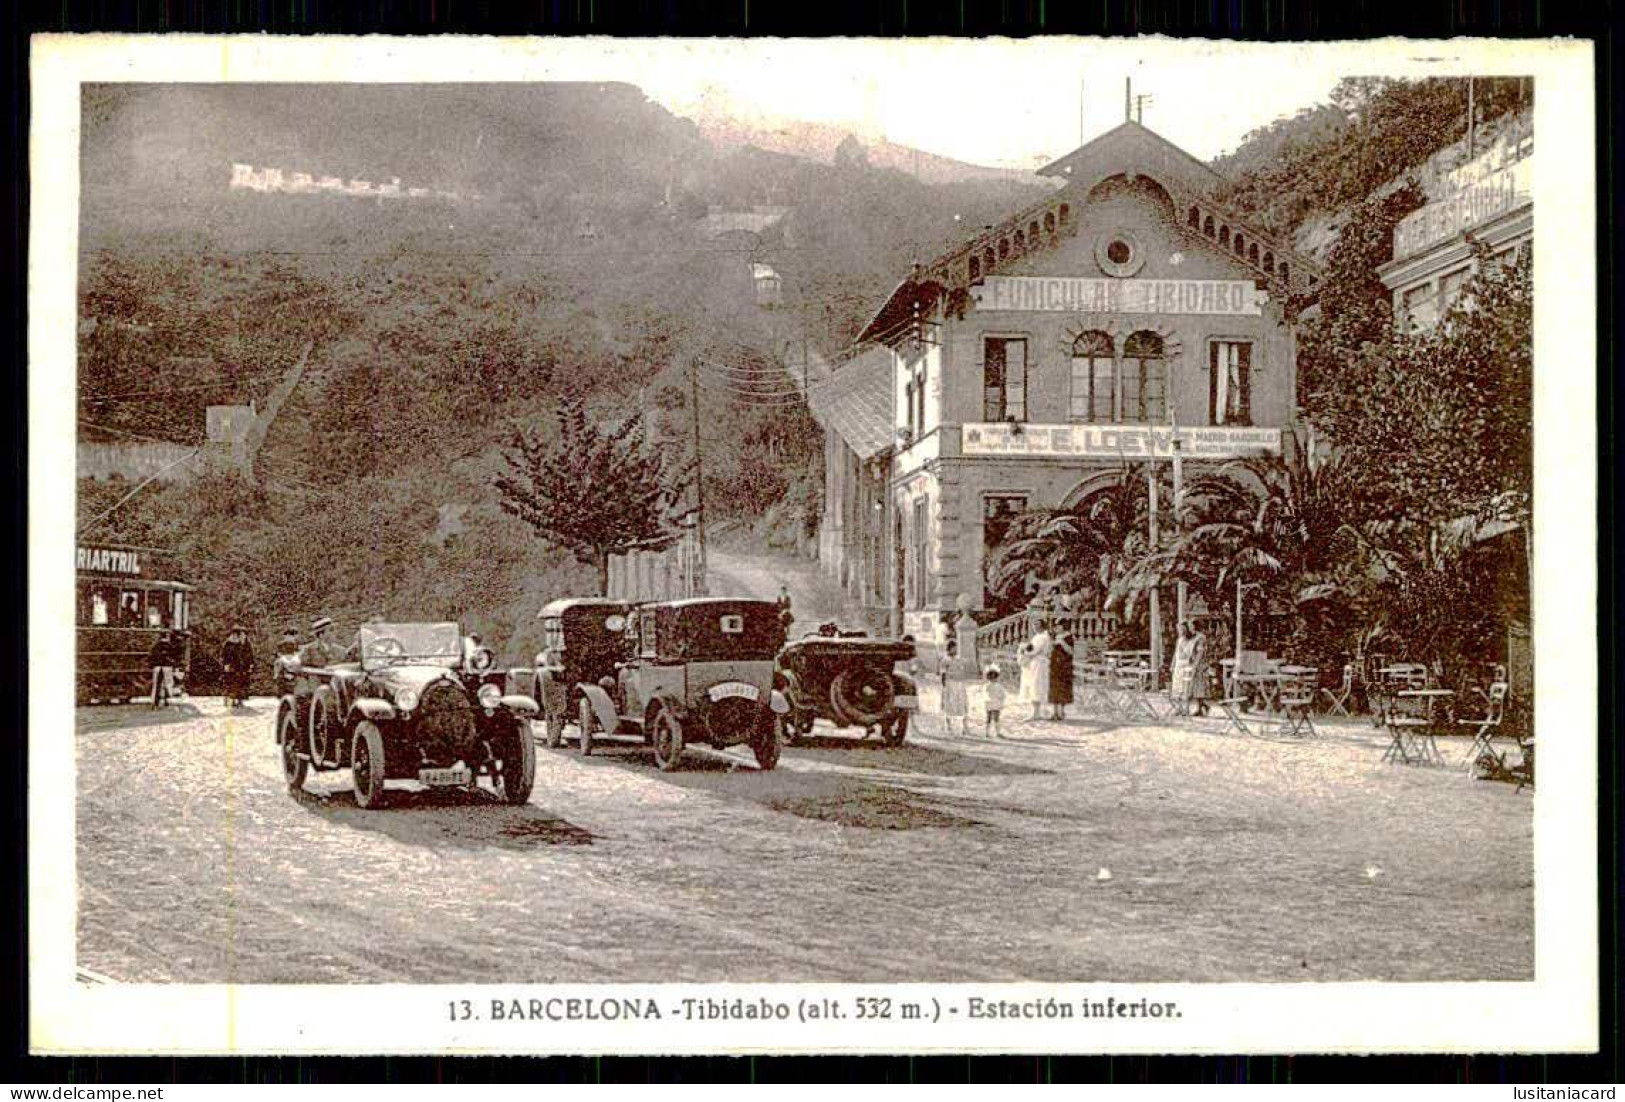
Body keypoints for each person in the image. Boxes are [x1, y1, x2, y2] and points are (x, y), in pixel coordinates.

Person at [1170, 619, 1211, 717]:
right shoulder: (1182, 639)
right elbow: (1177, 653)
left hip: (1196, 665)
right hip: (1181, 665)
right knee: (1181, 687)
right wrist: (1173, 664)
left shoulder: (1200, 637)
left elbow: (1199, 653)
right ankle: (1182, 708)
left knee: (1195, 687)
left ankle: (1200, 707)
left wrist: (1195, 665)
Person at [1018, 619, 1053, 721]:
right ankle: (1036, 712)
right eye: (1034, 624)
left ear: (1042, 626)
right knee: (1034, 686)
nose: (1034, 626)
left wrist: (1022, 650)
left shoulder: (1042, 637)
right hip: (1035, 663)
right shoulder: (1038, 636)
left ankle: (1036, 712)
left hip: (1039, 663)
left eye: (1037, 624)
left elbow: (1033, 650)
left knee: (1036, 686)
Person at [938, 638, 968, 736]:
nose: (956, 650)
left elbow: (962, 670)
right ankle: (948, 724)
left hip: (959, 683)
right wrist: (944, 685)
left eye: (956, 648)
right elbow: (943, 673)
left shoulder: (959, 659)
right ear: (949, 649)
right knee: (949, 703)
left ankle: (964, 726)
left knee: (961, 702)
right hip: (950, 683)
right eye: (954, 648)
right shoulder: (945, 660)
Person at [220, 625, 254, 708]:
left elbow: (249, 654)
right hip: (232, 666)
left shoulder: (245, 643)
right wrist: (226, 664)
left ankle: (240, 700)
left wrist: (250, 664)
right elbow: (225, 655)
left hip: (242, 667)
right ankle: (230, 701)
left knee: (242, 683)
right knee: (231, 683)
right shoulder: (229, 643)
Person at [1047, 623, 1075, 720]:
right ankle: (1055, 712)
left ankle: (1062, 711)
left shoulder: (1068, 636)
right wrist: (1052, 642)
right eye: (1055, 627)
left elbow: (1071, 651)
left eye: (1058, 626)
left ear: (1063, 626)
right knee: (1054, 687)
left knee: (1063, 687)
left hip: (1064, 666)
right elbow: (1050, 651)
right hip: (1055, 665)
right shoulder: (1054, 637)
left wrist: (1062, 642)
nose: (1056, 629)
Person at [148, 631, 177, 708]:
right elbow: (174, 656)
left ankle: (155, 702)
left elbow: (151, 656)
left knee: (157, 685)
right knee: (167, 684)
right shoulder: (170, 646)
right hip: (167, 667)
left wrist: (152, 665)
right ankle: (167, 700)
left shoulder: (156, 646)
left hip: (157, 667)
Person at [273, 627, 301, 693]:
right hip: (285, 658)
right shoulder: (281, 644)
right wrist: (280, 655)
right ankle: (278, 676)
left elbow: (299, 651)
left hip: (293, 658)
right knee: (279, 663)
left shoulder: (296, 643)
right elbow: (277, 652)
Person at [983, 665, 1006, 739]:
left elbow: (986, 694)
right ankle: (997, 733)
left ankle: (987, 732)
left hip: (989, 702)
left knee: (989, 718)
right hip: (995, 703)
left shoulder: (987, 686)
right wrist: (1001, 701)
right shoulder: (999, 686)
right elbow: (1002, 695)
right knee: (995, 718)